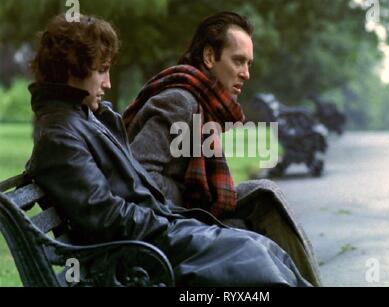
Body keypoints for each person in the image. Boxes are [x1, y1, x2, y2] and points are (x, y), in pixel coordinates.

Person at [26, 13, 311, 287]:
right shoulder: (61, 135)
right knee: (254, 253)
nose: (109, 82)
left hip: (151, 237)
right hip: (141, 255)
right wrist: (176, 221)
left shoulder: (83, 119)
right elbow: (109, 215)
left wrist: (179, 220)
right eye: (101, 70)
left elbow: (127, 192)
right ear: (73, 68)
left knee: (262, 246)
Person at [123, 12, 321, 286]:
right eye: (238, 61)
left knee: (266, 196)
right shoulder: (180, 102)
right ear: (208, 56)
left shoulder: (201, 101)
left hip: (182, 218)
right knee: (258, 226)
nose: (246, 73)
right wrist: (195, 199)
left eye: (249, 63)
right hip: (163, 234)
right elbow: (137, 180)